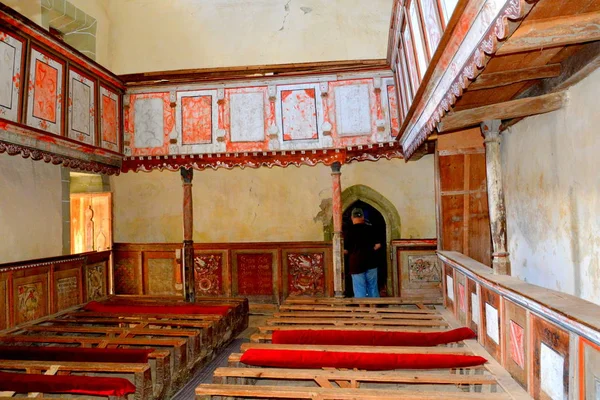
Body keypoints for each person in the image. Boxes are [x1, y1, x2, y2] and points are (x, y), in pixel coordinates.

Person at [343, 207, 382, 298]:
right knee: (372, 287)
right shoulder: (371, 229)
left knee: (359, 288)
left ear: (352, 218)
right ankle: (373, 310)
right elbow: (378, 245)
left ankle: (362, 310)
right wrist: (370, 250)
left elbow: (345, 250)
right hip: (371, 261)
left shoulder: (348, 231)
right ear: (363, 217)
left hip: (356, 263)